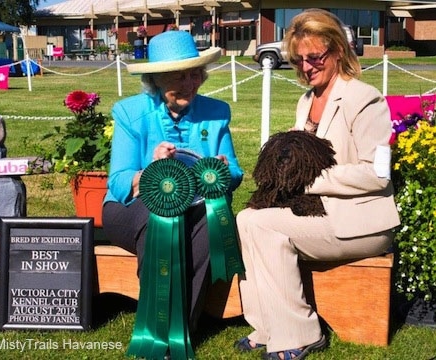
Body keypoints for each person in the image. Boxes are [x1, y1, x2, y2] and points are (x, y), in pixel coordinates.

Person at [234, 8, 400, 360]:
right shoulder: (306, 100)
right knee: (246, 219)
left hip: (361, 222)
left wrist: (305, 181)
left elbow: (377, 173)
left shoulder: (366, 99)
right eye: (298, 60)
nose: (306, 67)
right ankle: (266, 326)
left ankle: (300, 333)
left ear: (338, 50)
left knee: (263, 225)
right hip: (320, 214)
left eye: (314, 57)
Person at [102, 30, 243, 336]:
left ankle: (176, 334)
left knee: (210, 226)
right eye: (179, 78)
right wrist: (151, 170)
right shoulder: (129, 112)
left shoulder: (217, 113)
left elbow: (235, 172)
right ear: (156, 80)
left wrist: (220, 172)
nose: (190, 84)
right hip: (131, 208)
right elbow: (118, 181)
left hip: (200, 208)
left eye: (195, 75)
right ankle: (160, 328)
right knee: (161, 219)